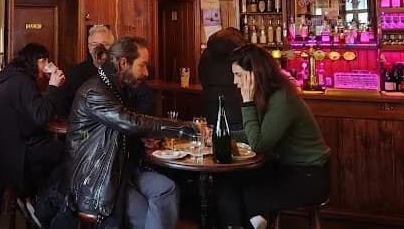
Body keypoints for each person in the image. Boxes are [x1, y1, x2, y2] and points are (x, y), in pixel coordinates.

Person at [65, 36, 198, 229]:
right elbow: (131, 122)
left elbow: (125, 128)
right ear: (123, 63)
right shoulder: (94, 92)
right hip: (96, 179)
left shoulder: (119, 87)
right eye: (142, 65)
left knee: (166, 189)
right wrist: (184, 128)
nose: (146, 72)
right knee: (149, 218)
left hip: (122, 168)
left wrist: (143, 139)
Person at [215, 44, 331, 229]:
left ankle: (251, 222)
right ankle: (249, 223)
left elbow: (259, 144)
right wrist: (218, 136)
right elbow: (256, 133)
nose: (235, 82)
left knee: (244, 195)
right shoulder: (268, 95)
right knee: (227, 182)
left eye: (238, 75)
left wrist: (247, 103)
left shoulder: (282, 98)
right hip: (286, 169)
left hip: (309, 176)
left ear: (255, 74)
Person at [0, 43, 66, 202]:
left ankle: (42, 199)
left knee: (56, 150)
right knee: (66, 152)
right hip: (19, 157)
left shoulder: (12, 79)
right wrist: (52, 87)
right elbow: (41, 116)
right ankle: (46, 203)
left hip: (3, 155)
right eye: (43, 60)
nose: (46, 65)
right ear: (33, 61)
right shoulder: (23, 82)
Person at [198, 27, 247, 127]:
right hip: (236, 112)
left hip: (209, 110)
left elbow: (202, 76)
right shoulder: (239, 56)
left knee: (214, 140)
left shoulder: (206, 53)